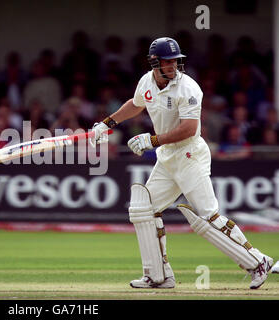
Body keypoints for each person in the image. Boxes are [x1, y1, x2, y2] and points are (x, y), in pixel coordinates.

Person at [89, 37, 274, 290]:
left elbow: (189, 129)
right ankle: (158, 276)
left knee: (208, 216)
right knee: (144, 209)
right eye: (168, 61)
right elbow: (135, 104)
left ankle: (258, 262)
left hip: (190, 154)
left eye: (176, 61)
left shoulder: (188, 88)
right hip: (168, 156)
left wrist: (152, 140)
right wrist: (107, 123)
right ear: (155, 62)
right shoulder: (147, 81)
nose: (174, 66)